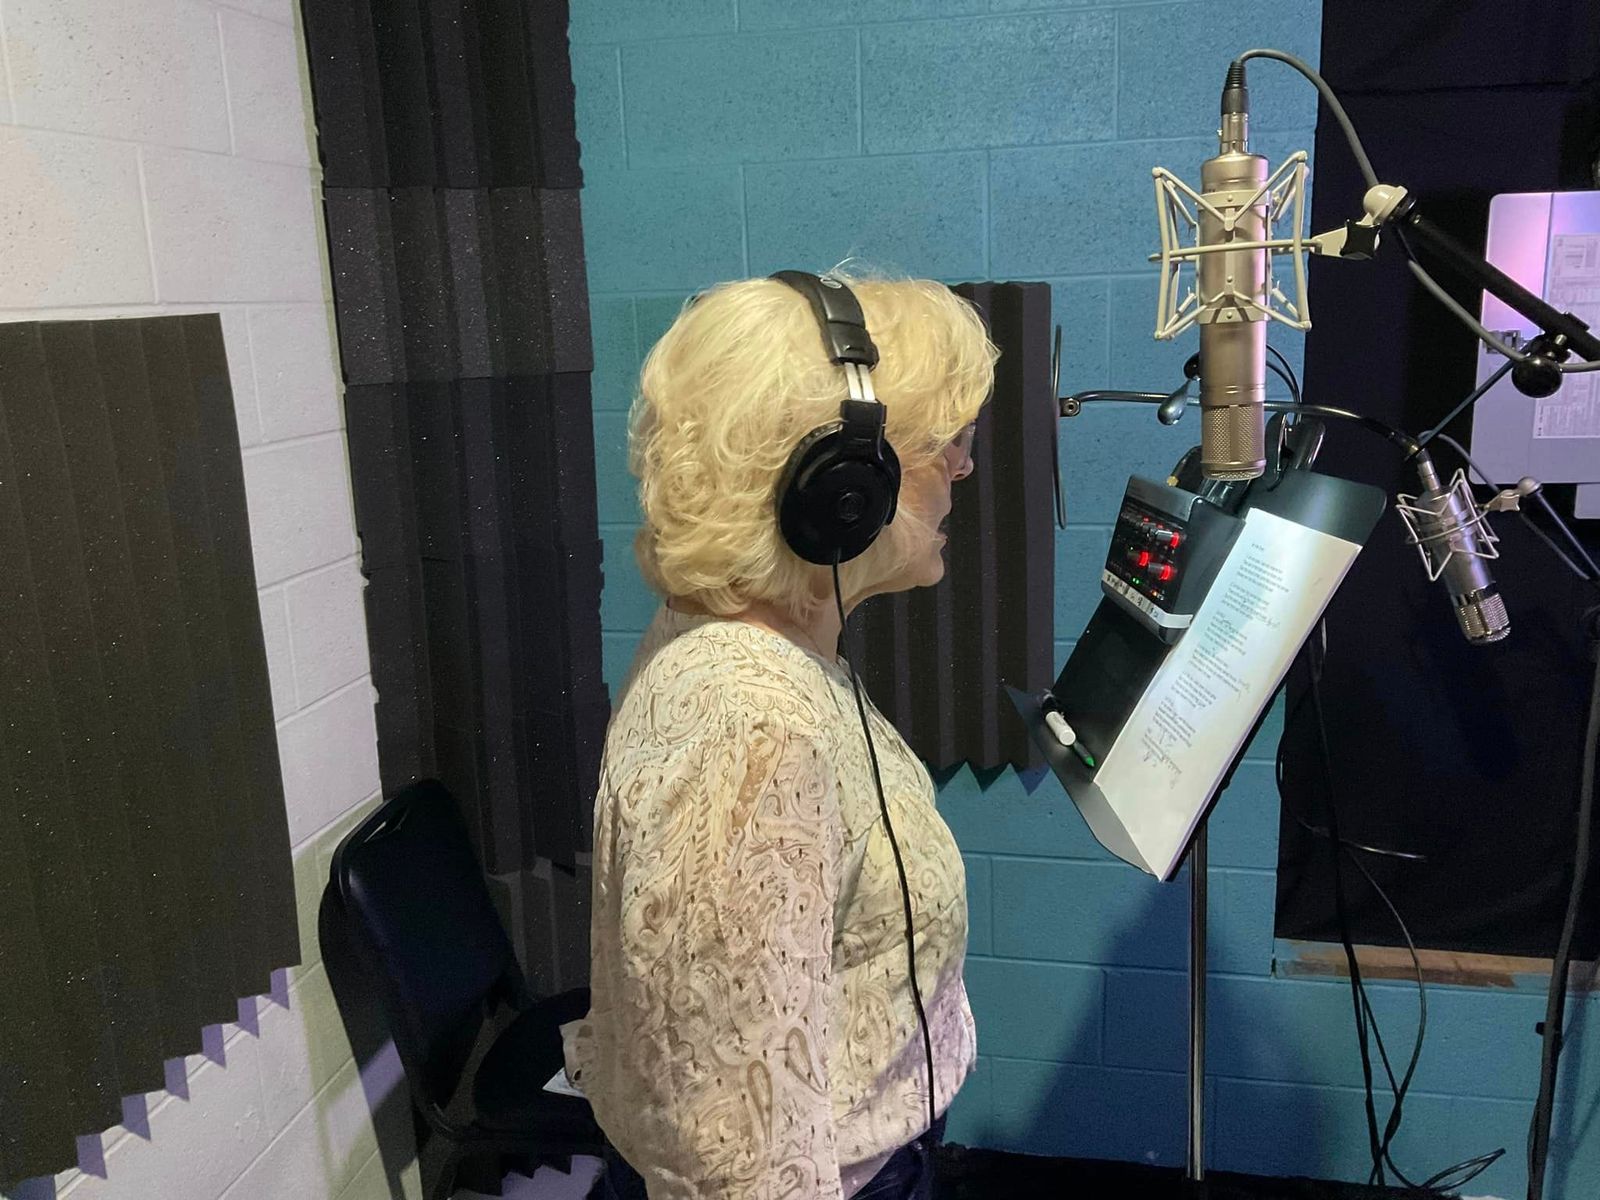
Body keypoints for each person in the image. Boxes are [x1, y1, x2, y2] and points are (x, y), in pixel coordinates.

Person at [561, 269, 998, 1200]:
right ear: (844, 487)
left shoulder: (763, 649)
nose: (964, 467)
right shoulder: (747, 728)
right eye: (943, 445)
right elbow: (735, 1160)